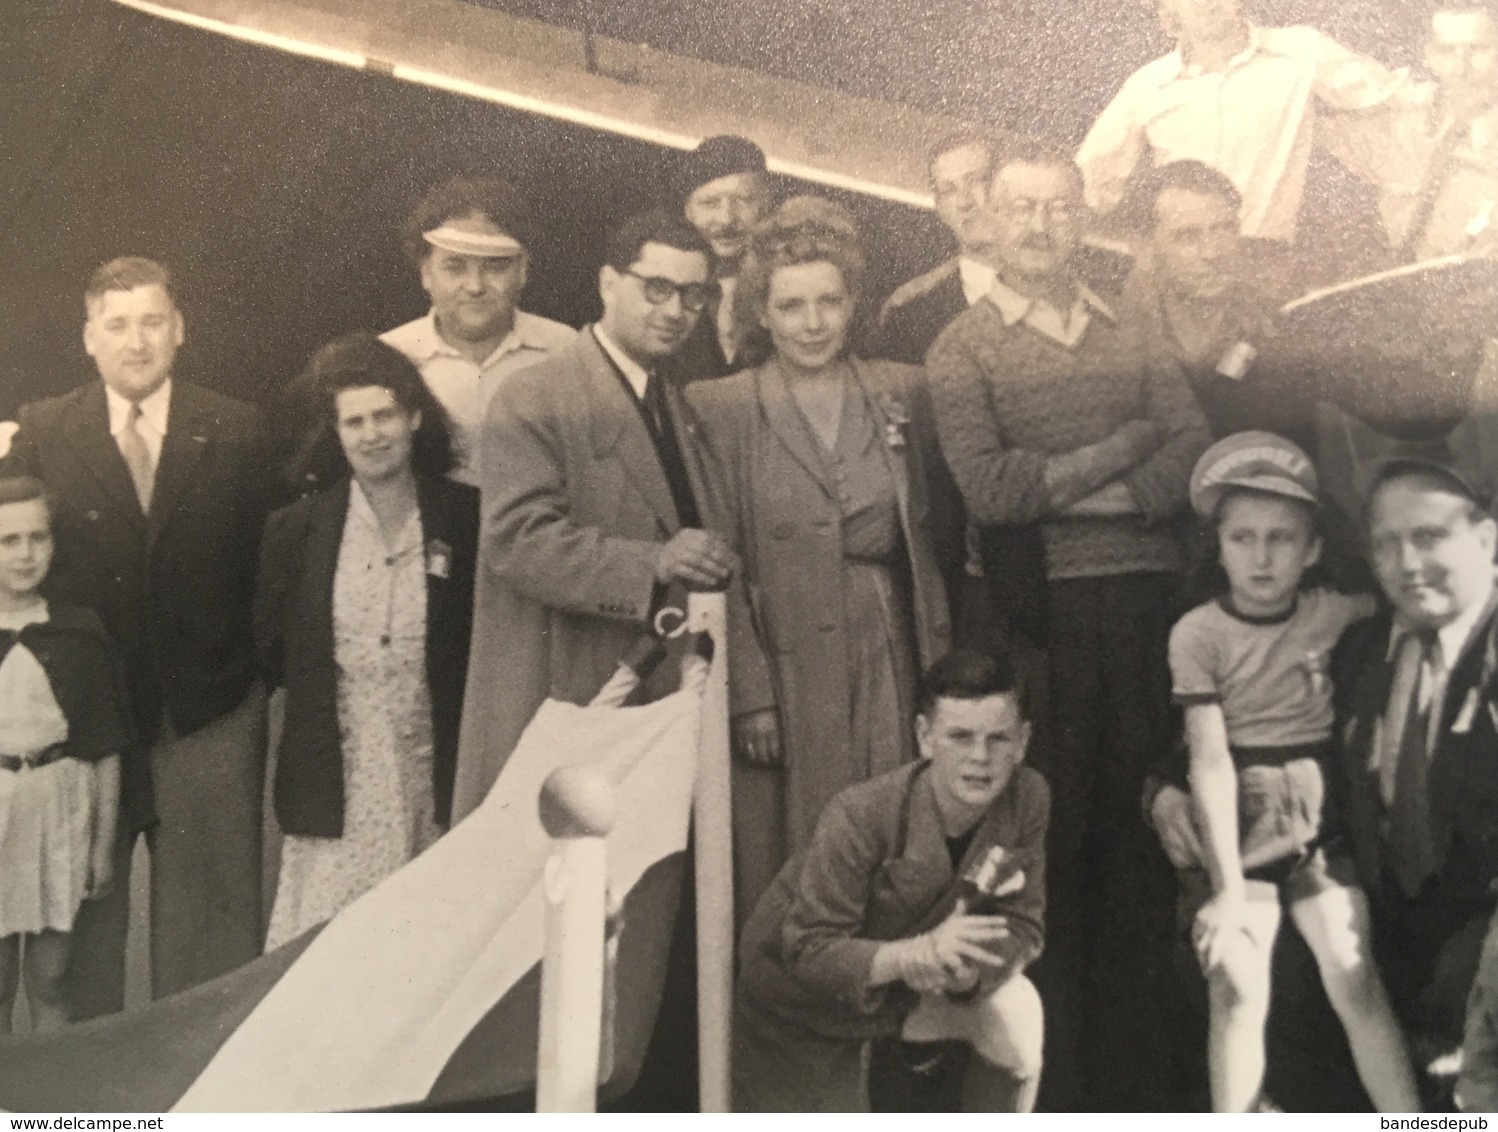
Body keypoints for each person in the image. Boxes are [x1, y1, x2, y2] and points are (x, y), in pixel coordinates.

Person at [926, 136, 1210, 1109]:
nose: (1040, 226)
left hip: (1136, 626)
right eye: (1020, 209)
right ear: (989, 221)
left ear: (1082, 218)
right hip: (1033, 632)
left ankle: (1132, 1097)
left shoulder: (1127, 325)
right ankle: (1047, 1095)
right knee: (1042, 857)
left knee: (1134, 857)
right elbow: (994, 493)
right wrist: (1125, 450)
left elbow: (1191, 454)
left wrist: (1087, 485)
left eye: (1058, 208)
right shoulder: (960, 347)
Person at [1152, 444, 1498, 1105]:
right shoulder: (1213, 634)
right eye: (1242, 539)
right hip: (1249, 832)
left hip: (1339, 840)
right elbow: (1214, 754)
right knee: (1236, 980)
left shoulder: (1336, 614)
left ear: (1312, 550)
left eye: (1282, 540)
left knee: (1352, 968)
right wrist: (1206, 859)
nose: (1261, 558)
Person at [2, 257, 269, 1010]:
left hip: (210, 711)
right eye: (116, 324)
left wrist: (245, 673)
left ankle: (202, 1090)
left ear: (180, 329)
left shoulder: (237, 428)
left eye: (153, 320)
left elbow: (268, 565)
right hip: (91, 722)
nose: (137, 340)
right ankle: (95, 1108)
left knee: (213, 926)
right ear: (89, 338)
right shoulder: (48, 428)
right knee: (87, 921)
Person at [686, 196, 956, 923]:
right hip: (785, 657)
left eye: (829, 302)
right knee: (793, 856)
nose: (813, 324)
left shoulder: (901, 390)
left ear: (853, 304)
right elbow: (721, 561)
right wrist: (750, 693)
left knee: (891, 837)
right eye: (792, 305)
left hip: (884, 645)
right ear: (761, 313)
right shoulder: (720, 406)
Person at [451, 209, 740, 821]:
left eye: (693, 295)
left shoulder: (675, 406)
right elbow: (517, 543)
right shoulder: (534, 395)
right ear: (609, 283)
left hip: (636, 702)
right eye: (656, 288)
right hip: (563, 696)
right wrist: (653, 562)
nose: (674, 310)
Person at [733, 648, 1048, 1113]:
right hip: (802, 1007)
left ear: (1022, 741)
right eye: (959, 736)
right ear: (925, 736)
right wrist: (912, 955)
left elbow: (1024, 927)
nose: (980, 758)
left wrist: (967, 975)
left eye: (998, 739)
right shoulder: (861, 814)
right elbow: (806, 949)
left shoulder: (1027, 797)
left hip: (907, 990)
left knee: (1017, 1014)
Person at [254, 333, 476, 948]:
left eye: (384, 415)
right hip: (338, 775)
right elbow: (275, 649)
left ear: (414, 416)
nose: (372, 434)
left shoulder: (463, 518)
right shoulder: (298, 528)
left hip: (433, 769)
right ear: (336, 433)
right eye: (355, 422)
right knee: (331, 948)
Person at [1076, 0, 1405, 247]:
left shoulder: (1301, 50)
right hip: (1183, 266)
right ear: (1166, 9)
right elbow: (1088, 180)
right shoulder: (1148, 84)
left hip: (1265, 257)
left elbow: (1391, 95)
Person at [0, 477, 133, 1031]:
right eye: (9, 540)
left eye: (38, 537)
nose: (26, 554)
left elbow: (106, 748)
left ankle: (47, 1112)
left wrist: (102, 849)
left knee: (53, 977)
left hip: (60, 812)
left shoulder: (79, 631)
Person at [380, 175, 576, 488]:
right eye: (455, 266)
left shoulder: (565, 349)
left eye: (496, 266)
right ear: (426, 273)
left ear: (523, 269)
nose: (475, 286)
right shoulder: (390, 357)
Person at [875, 130, 1002, 366]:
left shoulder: (1067, 292)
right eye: (948, 190)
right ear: (940, 208)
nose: (965, 201)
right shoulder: (909, 310)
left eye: (976, 181)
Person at [667, 135, 774, 384]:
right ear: (688, 212)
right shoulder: (665, 286)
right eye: (709, 203)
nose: (726, 219)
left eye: (744, 200)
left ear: (766, 204)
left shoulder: (784, 289)